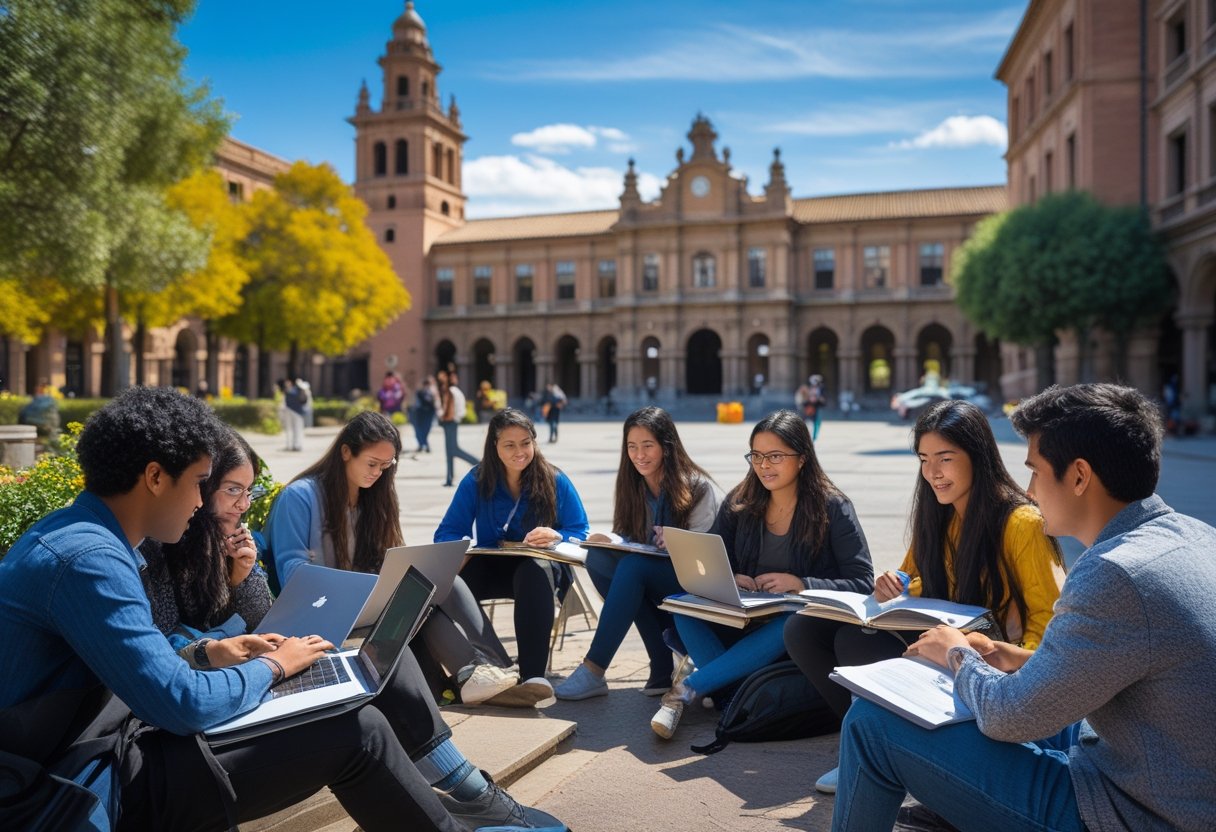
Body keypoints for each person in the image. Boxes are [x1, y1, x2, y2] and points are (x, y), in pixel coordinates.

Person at [0, 386, 561, 832]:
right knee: (356, 729)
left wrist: (207, 648)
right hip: (77, 786)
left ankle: (461, 802)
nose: (201, 502)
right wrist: (271, 667)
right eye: (202, 483)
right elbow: (179, 702)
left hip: (106, 749)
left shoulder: (88, 539)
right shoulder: (87, 559)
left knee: (357, 699)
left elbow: (140, 660)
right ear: (153, 477)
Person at [830, 383, 1216, 832]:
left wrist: (957, 653)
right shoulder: (1194, 535)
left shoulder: (1114, 573)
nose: (1029, 490)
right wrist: (1017, 658)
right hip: (1159, 772)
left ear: (1078, 476)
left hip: (1136, 811)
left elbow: (1010, 717)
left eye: (1034, 471)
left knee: (872, 723)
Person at [145, 423, 563, 830]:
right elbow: (175, 650)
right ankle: (469, 783)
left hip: (255, 669)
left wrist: (240, 578)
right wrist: (227, 636)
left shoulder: (229, 538)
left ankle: (471, 783)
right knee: (366, 718)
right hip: (230, 689)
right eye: (230, 490)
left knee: (392, 651)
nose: (242, 505)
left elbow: (260, 619)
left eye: (247, 492)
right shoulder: (164, 548)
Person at [785, 398, 1064, 795]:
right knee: (803, 629)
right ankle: (868, 743)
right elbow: (914, 576)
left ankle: (886, 753)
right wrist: (893, 583)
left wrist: (1012, 666)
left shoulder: (1022, 523)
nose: (933, 473)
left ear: (977, 455)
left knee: (851, 641)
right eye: (923, 459)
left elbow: (1046, 619)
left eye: (945, 458)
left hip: (987, 657)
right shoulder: (938, 513)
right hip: (936, 640)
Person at [264, 411, 523, 708]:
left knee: (445, 583)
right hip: (327, 612)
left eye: (386, 466)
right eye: (372, 464)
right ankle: (474, 673)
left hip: (367, 602)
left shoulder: (373, 498)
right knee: (416, 601)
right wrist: (365, 586)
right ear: (346, 452)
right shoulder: (300, 497)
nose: (377, 473)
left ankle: (498, 670)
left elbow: (385, 556)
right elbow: (295, 576)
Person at [651, 409, 874, 740]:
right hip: (745, 617)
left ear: (801, 459)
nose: (763, 465)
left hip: (797, 630)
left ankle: (684, 692)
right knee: (684, 606)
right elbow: (714, 553)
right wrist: (732, 575)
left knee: (793, 618)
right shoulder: (740, 501)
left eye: (775, 456)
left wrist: (801, 584)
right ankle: (738, 698)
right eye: (756, 456)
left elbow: (862, 580)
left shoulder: (833, 508)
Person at [555, 406, 722, 700]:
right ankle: (660, 665)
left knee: (633, 568)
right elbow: (634, 540)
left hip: (699, 589)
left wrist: (678, 543)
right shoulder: (633, 487)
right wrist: (613, 540)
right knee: (598, 559)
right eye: (632, 447)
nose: (639, 455)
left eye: (648, 446)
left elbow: (709, 560)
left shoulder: (697, 488)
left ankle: (594, 669)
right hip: (657, 580)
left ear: (666, 448)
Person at [435, 408, 590, 704]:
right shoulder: (477, 480)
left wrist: (556, 535)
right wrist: (462, 550)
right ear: (494, 446)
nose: (520, 452)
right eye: (509, 445)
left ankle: (532, 677)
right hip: (493, 563)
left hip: (541, 567)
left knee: (533, 570)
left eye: (525, 442)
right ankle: (475, 668)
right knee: (441, 586)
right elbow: (447, 533)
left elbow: (581, 531)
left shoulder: (554, 479)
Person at [439, 369, 479, 487]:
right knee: (450, 452)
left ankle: (478, 462)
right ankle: (449, 478)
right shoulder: (456, 391)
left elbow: (450, 409)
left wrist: (445, 418)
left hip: (450, 422)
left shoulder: (451, 392)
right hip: (453, 421)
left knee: (453, 450)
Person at [795, 374, 827, 441]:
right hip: (809, 406)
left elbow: (823, 397)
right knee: (805, 420)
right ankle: (804, 434)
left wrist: (818, 398)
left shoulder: (821, 388)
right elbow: (803, 396)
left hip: (818, 406)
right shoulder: (808, 388)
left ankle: (814, 436)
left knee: (816, 421)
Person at [414, 374, 439, 455]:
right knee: (421, 430)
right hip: (422, 413)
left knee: (425, 430)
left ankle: (424, 445)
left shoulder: (432, 392)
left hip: (429, 413)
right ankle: (424, 445)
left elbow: (435, 403)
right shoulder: (420, 392)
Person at [279, 377, 306, 451]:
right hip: (295, 412)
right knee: (294, 429)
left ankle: (294, 445)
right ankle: (294, 445)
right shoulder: (297, 390)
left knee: (294, 429)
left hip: (293, 412)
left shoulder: (291, 391)